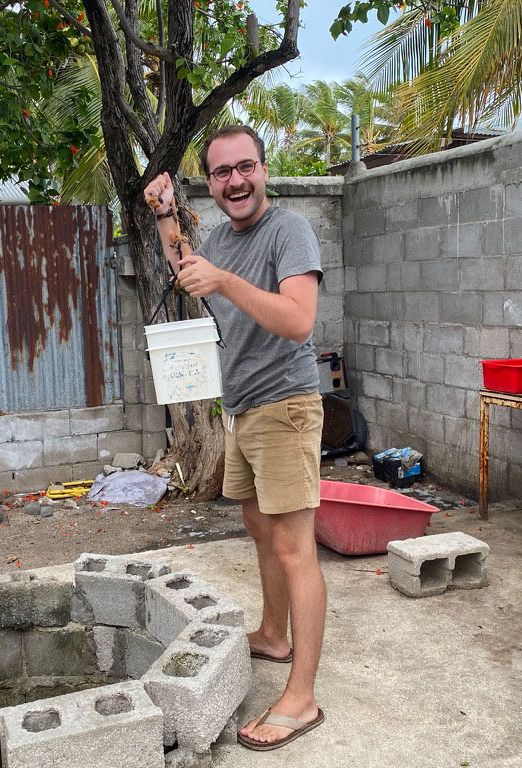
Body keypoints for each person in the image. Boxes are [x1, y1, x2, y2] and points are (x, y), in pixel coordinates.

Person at [142, 125, 326, 751]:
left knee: (296, 546)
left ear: (264, 169)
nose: (235, 181)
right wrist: (167, 214)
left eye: (245, 167)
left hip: (286, 406)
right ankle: (274, 633)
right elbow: (189, 267)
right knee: (257, 526)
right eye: (221, 173)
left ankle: (300, 699)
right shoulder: (219, 238)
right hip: (243, 407)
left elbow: (299, 321)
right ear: (212, 184)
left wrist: (224, 283)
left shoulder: (289, 231)